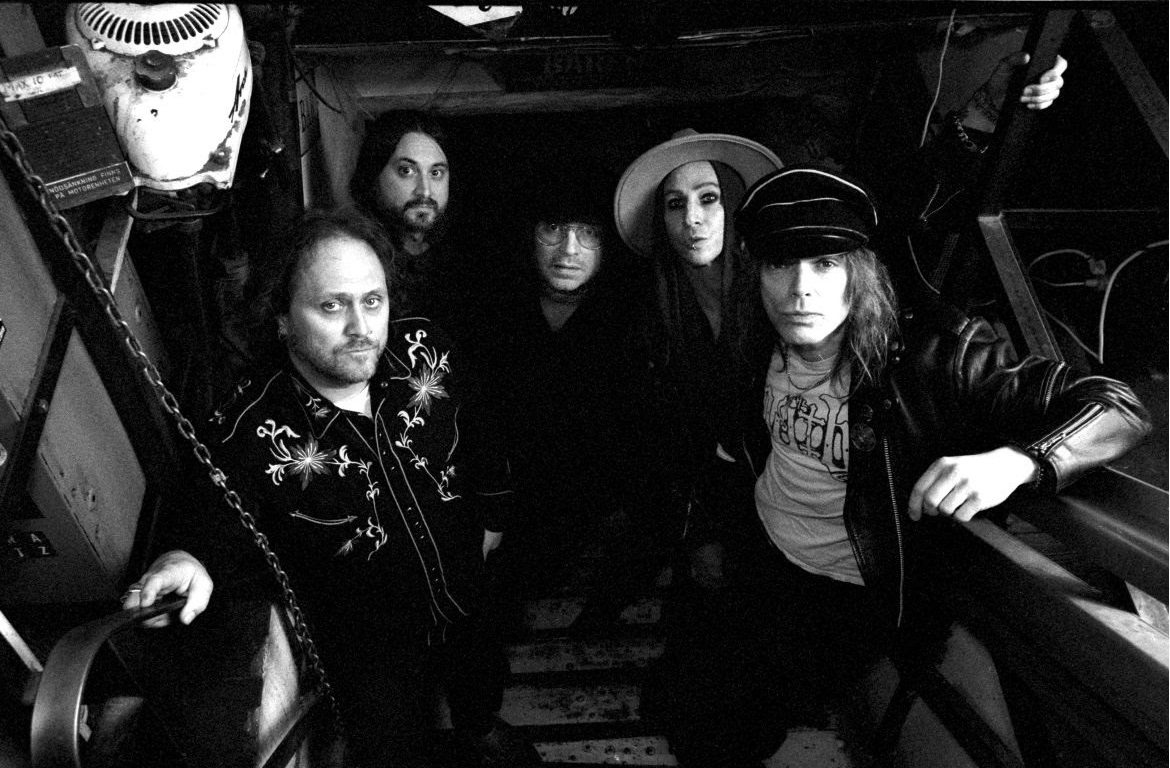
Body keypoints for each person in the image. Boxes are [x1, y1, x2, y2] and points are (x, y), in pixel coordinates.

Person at [656, 165, 1151, 767]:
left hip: (847, 590)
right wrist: (711, 532)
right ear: (755, 273)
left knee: (730, 727)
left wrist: (1018, 462)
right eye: (780, 264)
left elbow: (1119, 405)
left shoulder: (935, 355)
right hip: (761, 549)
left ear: (859, 273)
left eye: (825, 264)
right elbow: (733, 445)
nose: (800, 290)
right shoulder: (756, 342)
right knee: (677, 688)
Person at [122, 209, 539, 768]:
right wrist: (184, 559)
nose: (361, 328)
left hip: (468, 585)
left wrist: (494, 516)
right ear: (282, 318)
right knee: (393, 745)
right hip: (371, 651)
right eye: (332, 306)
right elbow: (212, 521)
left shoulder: (427, 350)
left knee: (479, 676)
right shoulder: (250, 427)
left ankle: (478, 726)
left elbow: (481, 430)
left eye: (373, 301)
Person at [480, 173, 667, 635]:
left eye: (588, 234)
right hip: (506, 502)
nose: (568, 250)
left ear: (607, 245)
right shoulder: (496, 314)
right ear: (530, 235)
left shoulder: (632, 321)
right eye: (554, 230)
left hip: (594, 511)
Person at [348, 110, 507, 349]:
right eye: (406, 171)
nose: (425, 190)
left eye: (436, 173)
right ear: (373, 176)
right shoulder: (352, 261)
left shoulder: (470, 263)